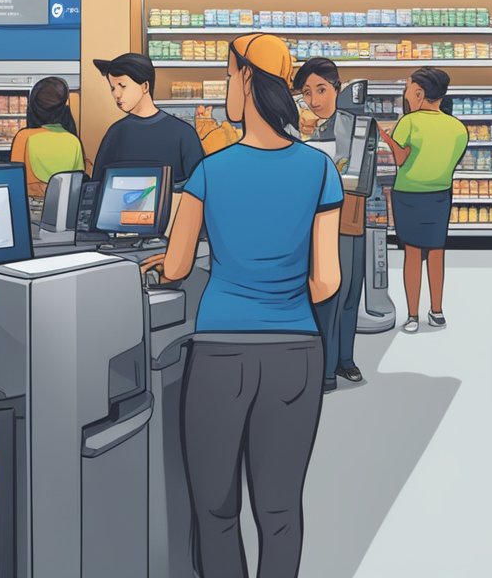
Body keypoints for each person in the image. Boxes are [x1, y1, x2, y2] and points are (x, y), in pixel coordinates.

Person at [140, 33, 341, 578]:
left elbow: (178, 267)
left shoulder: (211, 171)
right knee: (279, 509)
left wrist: (158, 262)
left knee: (215, 509)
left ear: (248, 78)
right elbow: (326, 281)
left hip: (220, 356)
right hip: (295, 354)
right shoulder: (320, 170)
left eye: (229, 74)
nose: (227, 85)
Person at [294, 58, 366, 391]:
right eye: (307, 93)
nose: (315, 100)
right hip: (317, 221)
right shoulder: (300, 128)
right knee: (326, 294)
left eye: (321, 89)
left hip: (348, 219)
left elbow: (358, 176)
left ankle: (345, 360)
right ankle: (324, 368)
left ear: (337, 88)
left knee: (349, 292)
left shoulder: (353, 124)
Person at [378, 68, 467, 333]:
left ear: (419, 93)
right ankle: (437, 311)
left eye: (407, 88)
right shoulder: (458, 128)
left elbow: (401, 158)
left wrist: (384, 136)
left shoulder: (409, 122)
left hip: (408, 194)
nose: (405, 94)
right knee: (437, 251)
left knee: (413, 254)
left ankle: (413, 316)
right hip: (440, 194)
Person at [92, 52, 204, 182]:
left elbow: (199, 187)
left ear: (145, 86)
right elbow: (97, 185)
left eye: (122, 86)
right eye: (112, 88)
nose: (116, 94)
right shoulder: (116, 133)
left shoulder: (183, 134)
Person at [11, 76, 84, 198]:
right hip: (63, 206)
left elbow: (15, 179)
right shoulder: (74, 140)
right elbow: (77, 184)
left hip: (30, 208)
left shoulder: (23, 137)